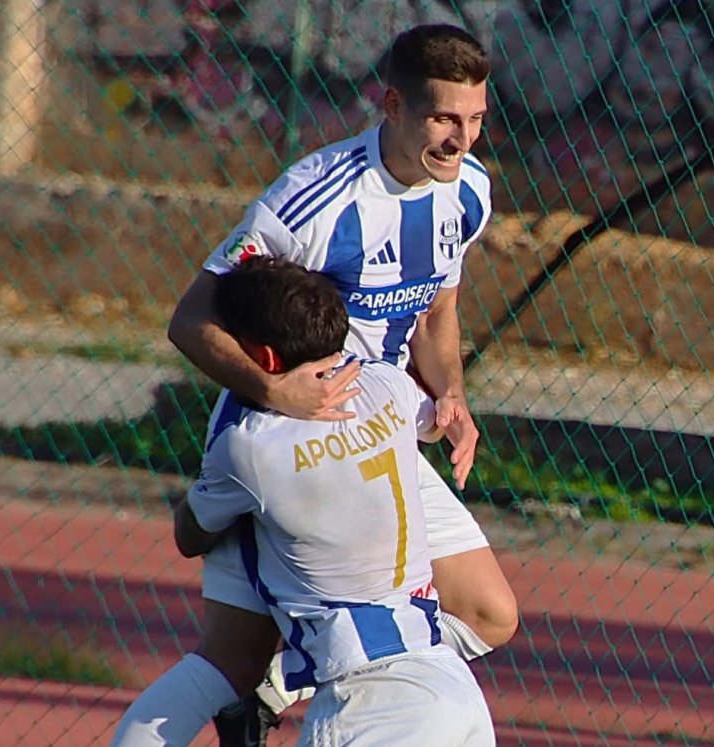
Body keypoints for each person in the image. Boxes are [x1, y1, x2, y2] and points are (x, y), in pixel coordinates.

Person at [161, 21, 517, 743]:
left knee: (489, 613)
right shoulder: (312, 198)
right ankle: (271, 689)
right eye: (444, 119)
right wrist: (276, 393)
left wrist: (450, 394)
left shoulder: (468, 191)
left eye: (476, 119)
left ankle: (280, 684)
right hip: (293, 443)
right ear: (393, 105)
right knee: (227, 661)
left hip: (380, 433)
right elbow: (191, 319)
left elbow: (437, 311)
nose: (462, 140)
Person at [111, 257, 495, 746]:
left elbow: (191, 537)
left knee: (220, 661)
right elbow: (432, 423)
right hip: (449, 680)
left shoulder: (250, 446)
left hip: (371, 701)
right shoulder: (388, 383)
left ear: (265, 358)